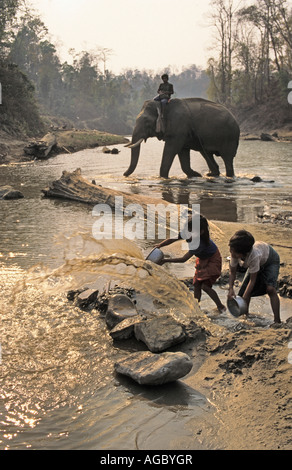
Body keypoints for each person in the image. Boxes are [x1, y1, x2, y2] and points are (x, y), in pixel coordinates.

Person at [156, 215, 226, 312]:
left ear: (201, 232)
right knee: (196, 284)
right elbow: (172, 239)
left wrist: (165, 260)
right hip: (203, 258)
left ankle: (220, 306)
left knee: (205, 286)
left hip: (212, 261)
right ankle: (196, 307)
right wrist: (160, 245)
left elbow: (183, 259)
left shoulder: (199, 244)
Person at [228, 230, 281, 324]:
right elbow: (232, 272)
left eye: (234, 251)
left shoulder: (253, 256)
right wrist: (231, 288)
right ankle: (246, 316)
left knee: (270, 289)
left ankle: (277, 321)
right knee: (244, 291)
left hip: (270, 260)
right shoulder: (234, 253)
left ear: (243, 253)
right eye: (231, 249)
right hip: (258, 262)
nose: (231, 252)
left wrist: (244, 298)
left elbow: (252, 280)